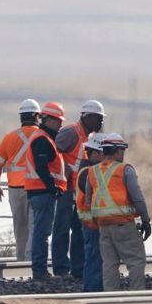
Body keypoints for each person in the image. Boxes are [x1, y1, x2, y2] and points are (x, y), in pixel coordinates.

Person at [89, 132, 152, 290]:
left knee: (109, 264)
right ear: (117, 150)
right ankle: (137, 296)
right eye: (122, 150)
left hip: (104, 226)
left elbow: (89, 199)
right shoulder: (125, 170)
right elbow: (137, 198)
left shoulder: (93, 171)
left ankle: (111, 298)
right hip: (123, 224)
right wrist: (145, 220)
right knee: (135, 261)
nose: (123, 153)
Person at [52, 99, 105, 278]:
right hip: (65, 189)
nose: (100, 122)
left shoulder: (89, 137)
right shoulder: (71, 132)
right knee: (62, 228)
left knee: (79, 229)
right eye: (98, 118)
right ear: (88, 117)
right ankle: (61, 268)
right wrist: (63, 169)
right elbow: (53, 152)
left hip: (78, 191)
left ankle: (78, 268)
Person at [0, 98, 42, 260]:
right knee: (35, 228)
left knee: (20, 231)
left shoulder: (9, 137)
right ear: (37, 116)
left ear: (21, 117)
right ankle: (32, 262)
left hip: (15, 190)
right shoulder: (43, 137)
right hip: (37, 189)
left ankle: (20, 263)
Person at [20, 101, 67, 280]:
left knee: (41, 231)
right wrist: (52, 187)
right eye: (58, 121)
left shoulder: (44, 138)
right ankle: (39, 271)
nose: (60, 125)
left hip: (40, 191)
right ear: (49, 120)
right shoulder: (42, 139)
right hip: (42, 192)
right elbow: (41, 166)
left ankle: (39, 269)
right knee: (42, 232)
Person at [74, 132, 107, 291]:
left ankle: (96, 290)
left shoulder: (90, 170)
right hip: (91, 224)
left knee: (97, 258)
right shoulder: (87, 172)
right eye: (104, 153)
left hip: (95, 222)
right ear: (94, 152)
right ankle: (92, 291)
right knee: (94, 258)